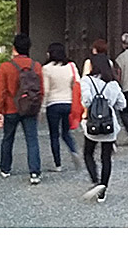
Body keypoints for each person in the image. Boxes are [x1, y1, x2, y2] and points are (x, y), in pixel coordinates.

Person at [0, 33, 44, 185]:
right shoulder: (36, 66)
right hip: (29, 108)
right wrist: (38, 107)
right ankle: (34, 172)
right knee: (32, 140)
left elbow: (2, 91)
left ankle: (5, 168)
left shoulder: (6, 67)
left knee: (8, 138)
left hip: (11, 108)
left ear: (14, 48)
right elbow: (40, 90)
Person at [80, 53, 126, 203]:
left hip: (93, 124)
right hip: (109, 125)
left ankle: (95, 180)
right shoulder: (113, 84)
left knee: (88, 153)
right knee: (106, 158)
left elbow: (86, 101)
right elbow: (122, 104)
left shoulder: (87, 81)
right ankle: (103, 190)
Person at [42, 42, 83, 172]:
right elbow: (77, 83)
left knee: (54, 135)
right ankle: (74, 150)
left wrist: (42, 108)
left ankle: (57, 164)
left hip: (53, 104)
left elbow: (46, 90)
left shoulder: (47, 68)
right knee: (66, 132)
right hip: (68, 103)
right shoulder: (71, 66)